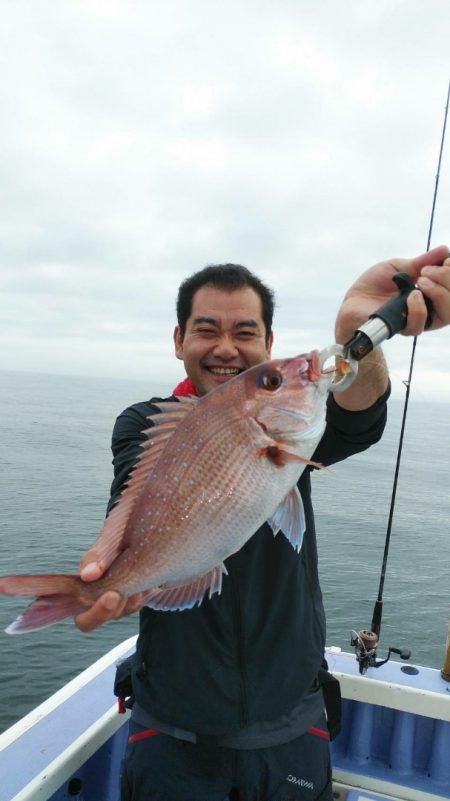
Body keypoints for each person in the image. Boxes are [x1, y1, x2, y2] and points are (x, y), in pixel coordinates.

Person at [76, 246, 450, 801]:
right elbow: (134, 503)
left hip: (292, 726)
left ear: (267, 344)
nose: (226, 347)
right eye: (206, 330)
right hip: (173, 730)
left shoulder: (294, 426)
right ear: (178, 341)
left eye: (245, 332)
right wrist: (113, 573)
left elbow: (360, 412)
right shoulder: (147, 423)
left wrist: (358, 337)